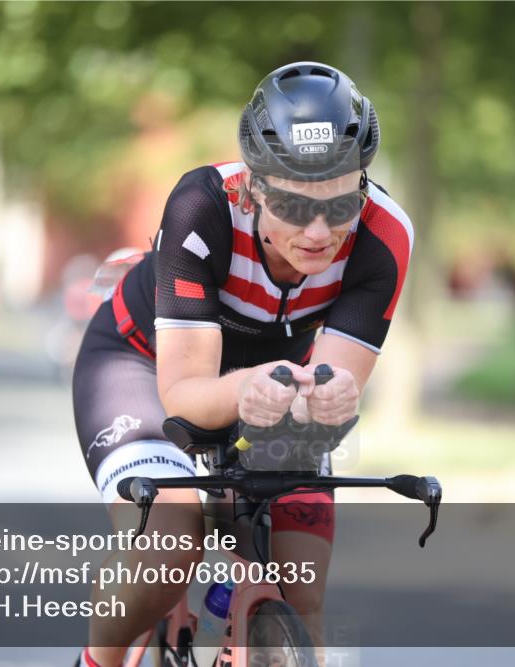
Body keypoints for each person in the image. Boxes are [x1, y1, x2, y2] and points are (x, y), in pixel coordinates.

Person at [72, 61, 413, 667]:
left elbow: (329, 387)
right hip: (143, 365)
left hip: (276, 386)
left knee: (301, 585)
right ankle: (96, 661)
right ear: (253, 187)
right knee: (170, 544)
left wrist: (331, 398)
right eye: (291, 203)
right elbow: (182, 394)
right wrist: (248, 392)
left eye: (340, 206)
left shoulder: (385, 238)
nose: (319, 231)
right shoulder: (200, 207)